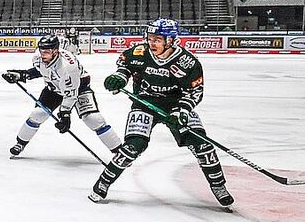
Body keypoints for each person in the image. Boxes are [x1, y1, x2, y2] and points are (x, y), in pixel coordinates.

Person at [90, 19, 233, 207]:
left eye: (158, 39)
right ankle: (103, 182)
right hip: (144, 103)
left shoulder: (188, 62)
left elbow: (195, 91)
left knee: (203, 146)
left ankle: (218, 186)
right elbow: (125, 67)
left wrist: (182, 111)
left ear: (171, 40)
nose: (152, 43)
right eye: (150, 38)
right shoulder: (139, 52)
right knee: (133, 147)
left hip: (176, 105)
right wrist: (119, 78)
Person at [1, 34, 123, 157]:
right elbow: (41, 71)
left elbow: (71, 94)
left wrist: (65, 115)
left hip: (79, 88)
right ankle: (20, 143)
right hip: (54, 89)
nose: (43, 54)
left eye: (47, 52)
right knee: (37, 115)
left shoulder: (68, 67)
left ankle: (119, 151)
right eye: (41, 51)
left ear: (55, 51)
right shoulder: (39, 57)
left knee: (94, 119)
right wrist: (21, 75)